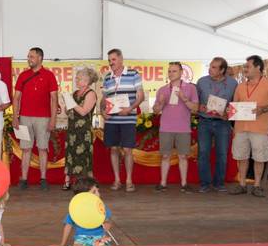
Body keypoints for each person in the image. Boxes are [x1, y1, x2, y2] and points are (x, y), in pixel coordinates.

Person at [228, 55, 268, 197]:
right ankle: (242, 184)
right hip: (240, 128)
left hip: (260, 128)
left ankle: (257, 185)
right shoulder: (240, 86)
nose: (245, 69)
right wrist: (230, 110)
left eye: (248, 66)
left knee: (260, 157)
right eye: (244, 67)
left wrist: (262, 109)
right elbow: (235, 106)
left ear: (258, 67)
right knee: (241, 156)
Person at [12, 47, 59, 190]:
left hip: (44, 119)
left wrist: (53, 120)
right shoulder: (22, 75)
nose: (29, 59)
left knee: (43, 148)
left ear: (39, 58)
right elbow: (16, 98)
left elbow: (54, 99)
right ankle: (24, 179)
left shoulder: (49, 75)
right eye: (28, 56)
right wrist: (15, 117)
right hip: (25, 118)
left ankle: (43, 179)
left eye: (31, 56)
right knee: (26, 149)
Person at [101, 49, 144, 192]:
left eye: (113, 60)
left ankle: (129, 180)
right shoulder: (107, 77)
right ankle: (117, 180)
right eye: (109, 60)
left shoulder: (133, 74)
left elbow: (141, 96)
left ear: (121, 59)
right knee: (113, 149)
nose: (110, 63)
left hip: (128, 119)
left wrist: (130, 108)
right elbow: (103, 99)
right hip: (111, 120)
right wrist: (102, 112)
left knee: (127, 150)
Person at [153, 62, 199, 193]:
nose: (171, 73)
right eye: (169, 71)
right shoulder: (162, 90)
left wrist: (184, 98)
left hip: (183, 128)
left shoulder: (190, 88)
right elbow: (156, 110)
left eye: (174, 71)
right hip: (166, 128)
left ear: (181, 73)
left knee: (183, 156)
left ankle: (184, 184)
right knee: (165, 156)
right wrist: (160, 103)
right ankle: (163, 183)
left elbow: (195, 109)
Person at [196, 57, 238, 193]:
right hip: (204, 121)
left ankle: (219, 183)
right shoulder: (201, 82)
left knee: (222, 154)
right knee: (203, 153)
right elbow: (194, 101)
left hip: (223, 124)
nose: (210, 69)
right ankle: (204, 184)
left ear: (222, 70)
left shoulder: (233, 83)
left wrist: (229, 113)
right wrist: (200, 107)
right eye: (210, 66)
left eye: (214, 67)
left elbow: (236, 104)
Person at [63, 67, 98, 190]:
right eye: (76, 78)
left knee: (83, 155)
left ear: (87, 80)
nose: (76, 80)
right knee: (70, 154)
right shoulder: (74, 94)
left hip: (83, 131)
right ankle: (67, 181)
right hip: (72, 129)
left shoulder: (91, 94)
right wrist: (66, 105)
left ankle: (86, 183)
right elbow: (69, 112)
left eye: (79, 78)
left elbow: (83, 112)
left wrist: (72, 103)